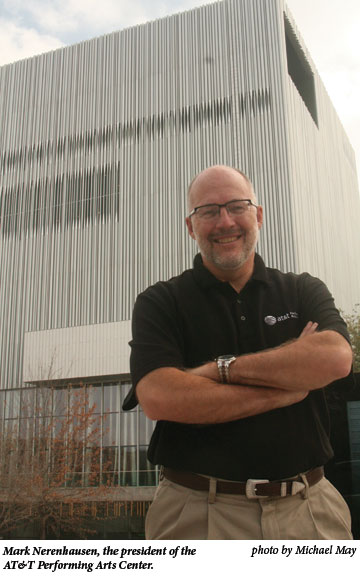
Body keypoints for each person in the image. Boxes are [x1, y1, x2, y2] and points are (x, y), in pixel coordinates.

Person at [123, 165, 353, 540]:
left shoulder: (302, 290)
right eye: (208, 211)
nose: (224, 221)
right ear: (191, 226)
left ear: (258, 215)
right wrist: (288, 388)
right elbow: (162, 398)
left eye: (236, 206)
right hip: (196, 515)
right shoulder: (160, 302)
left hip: (309, 510)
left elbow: (335, 359)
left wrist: (216, 371)